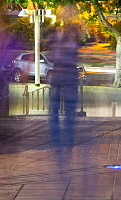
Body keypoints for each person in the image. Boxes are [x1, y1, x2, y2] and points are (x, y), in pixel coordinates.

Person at [47, 23, 80, 157]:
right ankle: (64, 142)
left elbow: (52, 57)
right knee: (65, 112)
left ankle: (60, 143)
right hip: (67, 81)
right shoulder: (69, 45)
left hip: (61, 80)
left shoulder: (62, 45)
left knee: (58, 111)